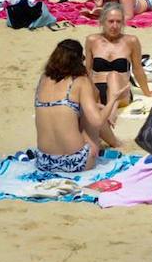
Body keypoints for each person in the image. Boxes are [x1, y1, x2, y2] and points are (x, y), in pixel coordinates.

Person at [34, 40, 125, 174]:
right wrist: (112, 100)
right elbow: (97, 121)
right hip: (77, 162)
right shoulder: (80, 81)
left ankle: (115, 141)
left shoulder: (44, 79)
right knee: (91, 117)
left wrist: (97, 106)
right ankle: (116, 143)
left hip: (44, 162)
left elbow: (60, 106)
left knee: (85, 110)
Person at [86, 4, 150, 111]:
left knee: (113, 76)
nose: (115, 26)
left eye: (118, 22)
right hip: (97, 90)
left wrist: (147, 92)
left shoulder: (131, 41)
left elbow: (137, 69)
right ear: (102, 21)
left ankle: (111, 113)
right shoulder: (92, 40)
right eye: (111, 21)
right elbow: (87, 70)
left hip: (121, 92)